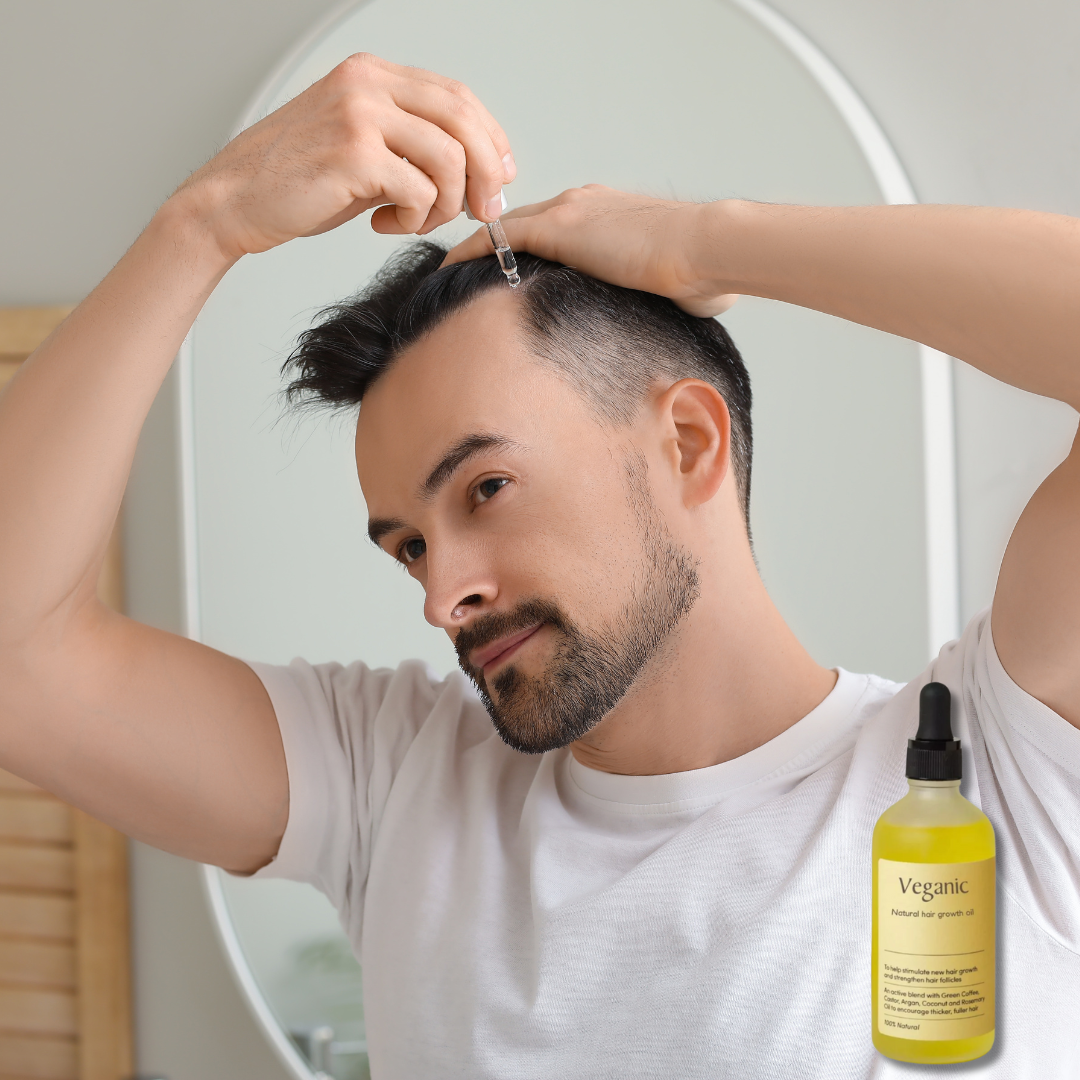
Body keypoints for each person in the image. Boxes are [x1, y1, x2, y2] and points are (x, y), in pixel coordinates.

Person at [0, 53, 1077, 1078]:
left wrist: (706, 240)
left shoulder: (997, 778)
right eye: (410, 545)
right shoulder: (397, 786)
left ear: (688, 442)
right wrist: (205, 222)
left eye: (486, 489)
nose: (441, 596)